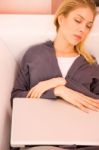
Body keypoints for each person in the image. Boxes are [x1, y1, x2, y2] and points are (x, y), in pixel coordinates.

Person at [11, 0, 99, 149]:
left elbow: (96, 103)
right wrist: (56, 91)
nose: (82, 29)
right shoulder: (34, 54)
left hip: (85, 144)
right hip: (42, 142)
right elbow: (16, 98)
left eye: (88, 26)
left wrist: (62, 83)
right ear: (61, 19)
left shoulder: (90, 63)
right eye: (78, 20)